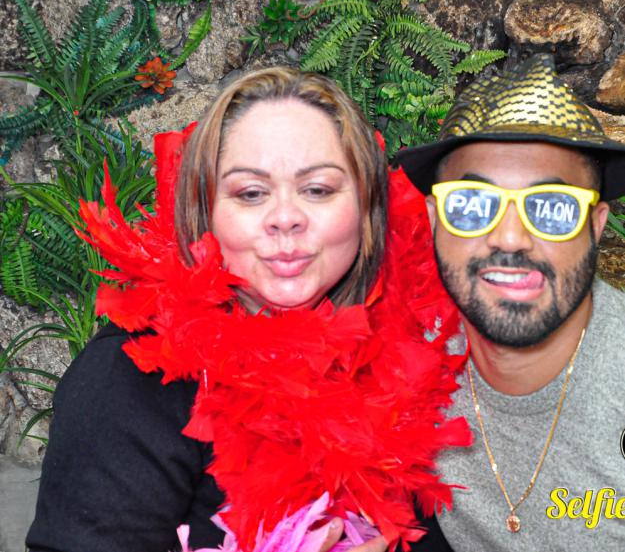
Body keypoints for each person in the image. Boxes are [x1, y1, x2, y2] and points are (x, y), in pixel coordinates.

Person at [27, 67, 466, 552]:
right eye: (251, 193)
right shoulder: (128, 380)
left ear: (366, 209)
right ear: (204, 211)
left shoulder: (405, 352)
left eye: (318, 189)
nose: (285, 218)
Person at [397, 53, 625, 551]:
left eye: (552, 208)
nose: (511, 238)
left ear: (596, 226)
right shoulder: (393, 358)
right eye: (472, 205)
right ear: (435, 221)